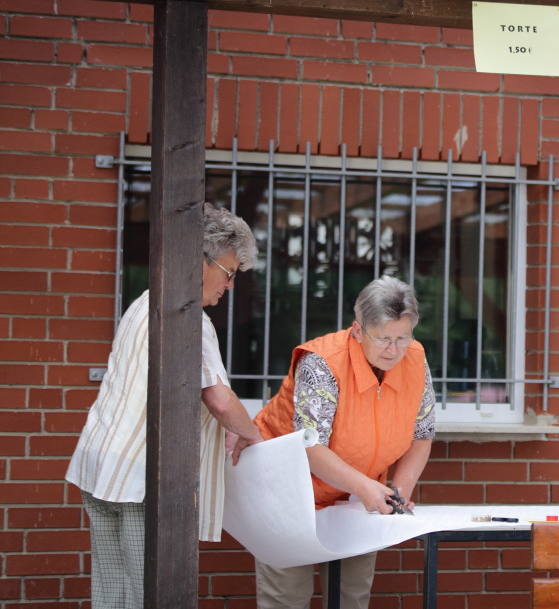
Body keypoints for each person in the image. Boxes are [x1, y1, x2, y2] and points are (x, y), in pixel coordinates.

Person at [66, 202, 265, 609]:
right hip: (141, 479)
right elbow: (219, 400)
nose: (230, 286)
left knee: (114, 593)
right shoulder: (188, 316)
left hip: (103, 466)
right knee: (152, 595)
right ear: (200, 259)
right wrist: (253, 434)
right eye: (229, 273)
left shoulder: (146, 300)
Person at [252, 275, 436, 608]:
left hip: (356, 494)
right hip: (290, 491)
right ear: (357, 330)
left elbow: (422, 434)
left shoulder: (415, 358)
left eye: (403, 337)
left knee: (352, 596)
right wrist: (366, 488)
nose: (394, 350)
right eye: (383, 339)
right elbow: (309, 446)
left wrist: (398, 492)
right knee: (288, 598)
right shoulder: (321, 362)